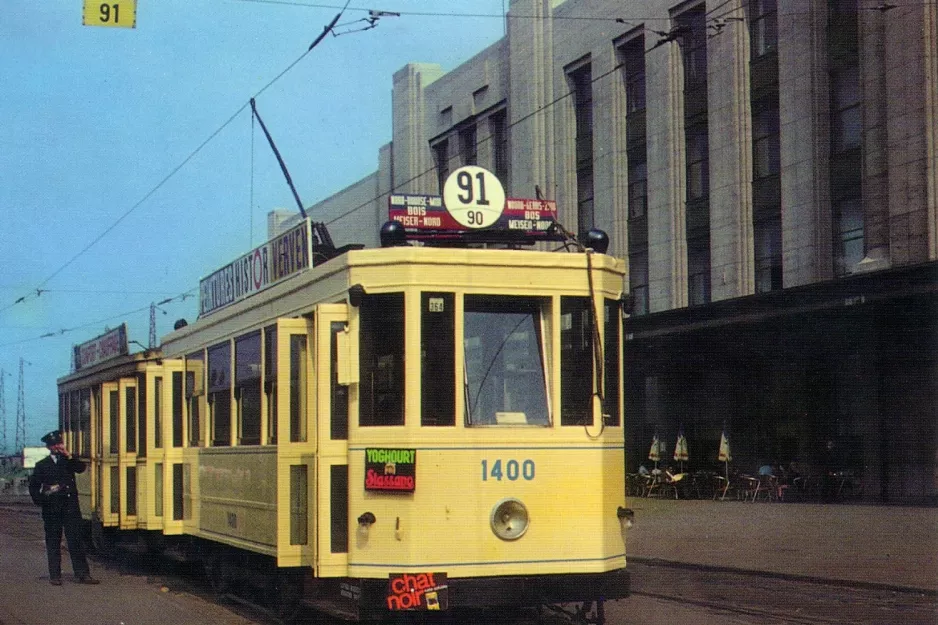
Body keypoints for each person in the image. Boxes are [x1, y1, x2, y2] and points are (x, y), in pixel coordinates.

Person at [28, 430, 100, 586]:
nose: (57, 447)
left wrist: (68, 454)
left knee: (76, 541)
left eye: (59, 443)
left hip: (70, 508)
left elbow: (81, 468)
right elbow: (34, 486)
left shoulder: (68, 461)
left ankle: (83, 574)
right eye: (54, 445)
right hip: (52, 509)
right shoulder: (42, 465)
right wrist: (42, 500)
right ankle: (55, 575)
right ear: (48, 447)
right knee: (53, 542)